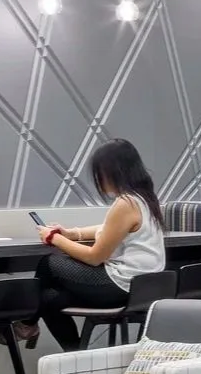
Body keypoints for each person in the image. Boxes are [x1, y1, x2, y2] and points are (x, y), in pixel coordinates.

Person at [30, 138, 169, 351]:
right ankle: (77, 357)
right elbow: (108, 229)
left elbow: (95, 257)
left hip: (121, 286)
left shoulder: (125, 203)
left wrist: (54, 239)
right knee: (49, 298)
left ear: (113, 171)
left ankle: (27, 325)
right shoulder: (144, 199)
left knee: (48, 264)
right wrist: (71, 233)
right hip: (144, 288)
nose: (99, 180)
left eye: (100, 173)